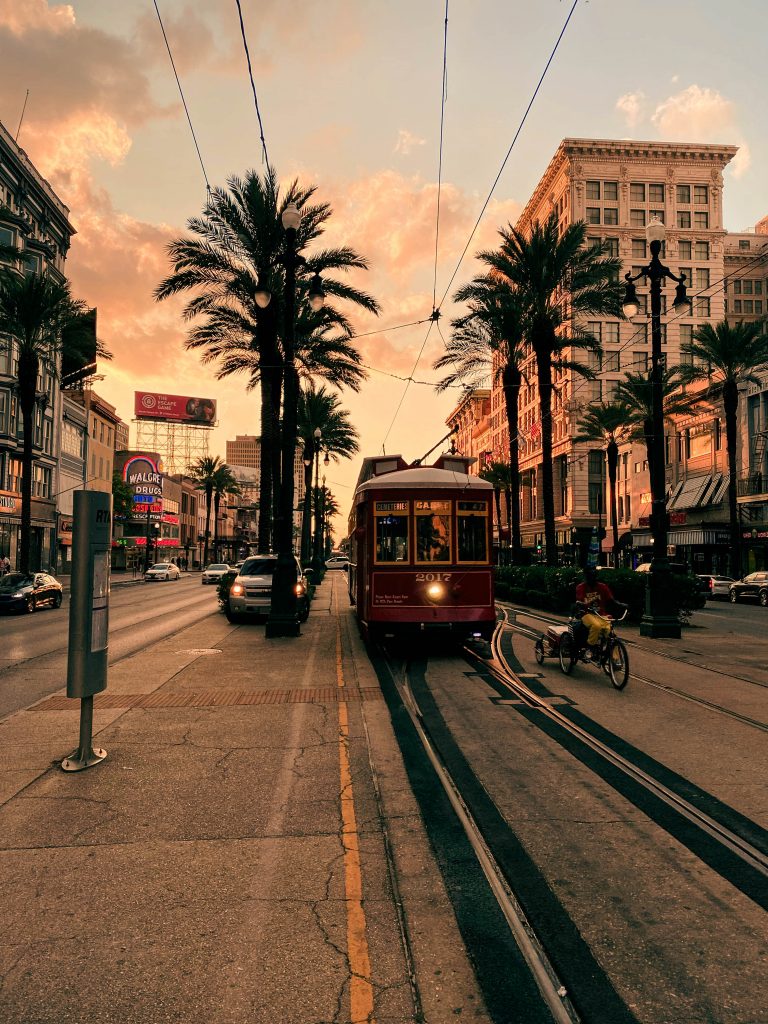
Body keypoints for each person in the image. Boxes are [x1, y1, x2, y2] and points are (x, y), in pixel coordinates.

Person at [575, 566, 615, 659]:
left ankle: (613, 656)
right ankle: (590, 647)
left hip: (600, 614)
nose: (592, 578)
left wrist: (620, 604)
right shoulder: (581, 587)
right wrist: (582, 604)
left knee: (609, 631)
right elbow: (579, 600)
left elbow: (611, 599)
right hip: (586, 614)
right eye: (590, 575)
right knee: (596, 626)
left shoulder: (602, 587)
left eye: (594, 575)